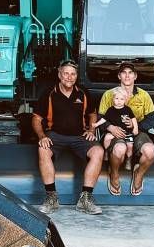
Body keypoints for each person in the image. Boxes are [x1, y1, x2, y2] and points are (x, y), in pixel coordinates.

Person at [32, 59, 105, 215]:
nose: (69, 77)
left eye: (73, 74)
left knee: (98, 152)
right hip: (55, 135)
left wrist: (91, 131)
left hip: (80, 136)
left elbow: (92, 114)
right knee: (43, 150)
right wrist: (42, 136)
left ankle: (85, 199)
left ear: (76, 76)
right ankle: (52, 198)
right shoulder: (49, 93)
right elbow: (36, 119)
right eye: (66, 73)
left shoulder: (83, 92)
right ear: (59, 74)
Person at [99, 62, 154, 197]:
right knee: (120, 149)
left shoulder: (144, 95)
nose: (127, 75)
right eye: (124, 73)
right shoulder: (109, 95)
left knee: (150, 151)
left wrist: (134, 126)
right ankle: (113, 173)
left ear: (135, 76)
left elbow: (152, 120)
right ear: (119, 76)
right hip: (116, 133)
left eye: (130, 73)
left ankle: (139, 174)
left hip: (138, 132)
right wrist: (110, 127)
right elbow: (100, 118)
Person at [95, 86, 138, 155]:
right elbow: (104, 119)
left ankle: (128, 160)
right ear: (113, 99)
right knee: (107, 138)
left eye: (122, 99)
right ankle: (107, 152)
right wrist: (96, 124)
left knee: (130, 146)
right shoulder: (110, 109)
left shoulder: (127, 109)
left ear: (125, 100)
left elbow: (133, 118)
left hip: (127, 132)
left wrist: (135, 128)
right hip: (114, 132)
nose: (119, 101)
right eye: (116, 98)